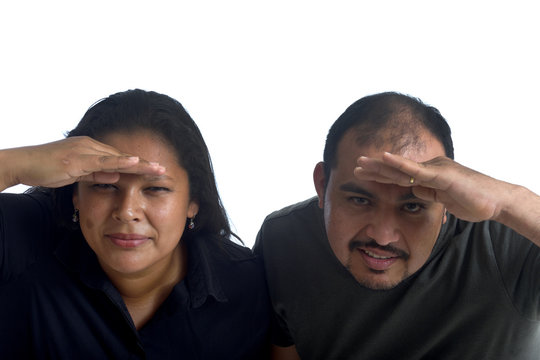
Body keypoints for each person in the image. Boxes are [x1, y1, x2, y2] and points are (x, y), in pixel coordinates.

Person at [254, 92, 540, 359]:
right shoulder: (283, 240)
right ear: (321, 185)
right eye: (359, 200)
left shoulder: (512, 241)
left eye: (412, 206)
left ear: (444, 204)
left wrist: (510, 202)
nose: (382, 236)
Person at [0, 89, 270, 359]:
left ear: (193, 202)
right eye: (104, 186)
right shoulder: (22, 241)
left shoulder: (249, 287)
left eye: (155, 189)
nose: (127, 212)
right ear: (74, 194)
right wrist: (16, 166)